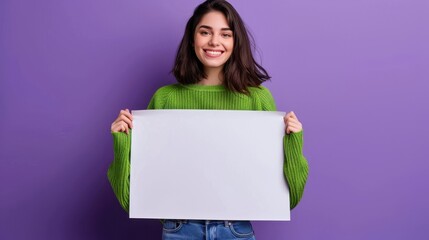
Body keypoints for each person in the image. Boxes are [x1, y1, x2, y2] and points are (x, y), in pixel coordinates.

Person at [107, 0, 309, 239]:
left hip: (235, 230)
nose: (215, 41)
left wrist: (294, 142)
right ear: (192, 39)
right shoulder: (165, 99)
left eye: (226, 34)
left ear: (236, 42)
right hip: (179, 230)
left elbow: (290, 198)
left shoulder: (258, 99)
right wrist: (122, 143)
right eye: (205, 32)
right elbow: (132, 200)